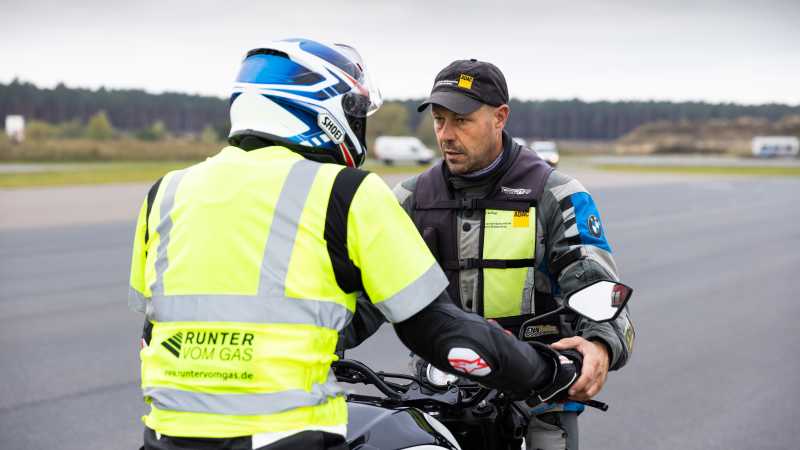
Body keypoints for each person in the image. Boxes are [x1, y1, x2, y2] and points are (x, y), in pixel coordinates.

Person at [128, 40, 585, 450]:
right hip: (287, 434)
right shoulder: (345, 191)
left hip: (166, 433)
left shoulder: (165, 192)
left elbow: (154, 326)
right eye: (354, 109)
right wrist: (547, 371)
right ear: (325, 110)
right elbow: (441, 329)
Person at [393, 59, 636, 450]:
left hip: (535, 394)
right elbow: (358, 293)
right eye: (439, 120)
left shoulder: (556, 194)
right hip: (437, 395)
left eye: (461, 120)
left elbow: (597, 284)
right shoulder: (408, 199)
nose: (446, 135)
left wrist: (600, 345)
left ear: (500, 117)